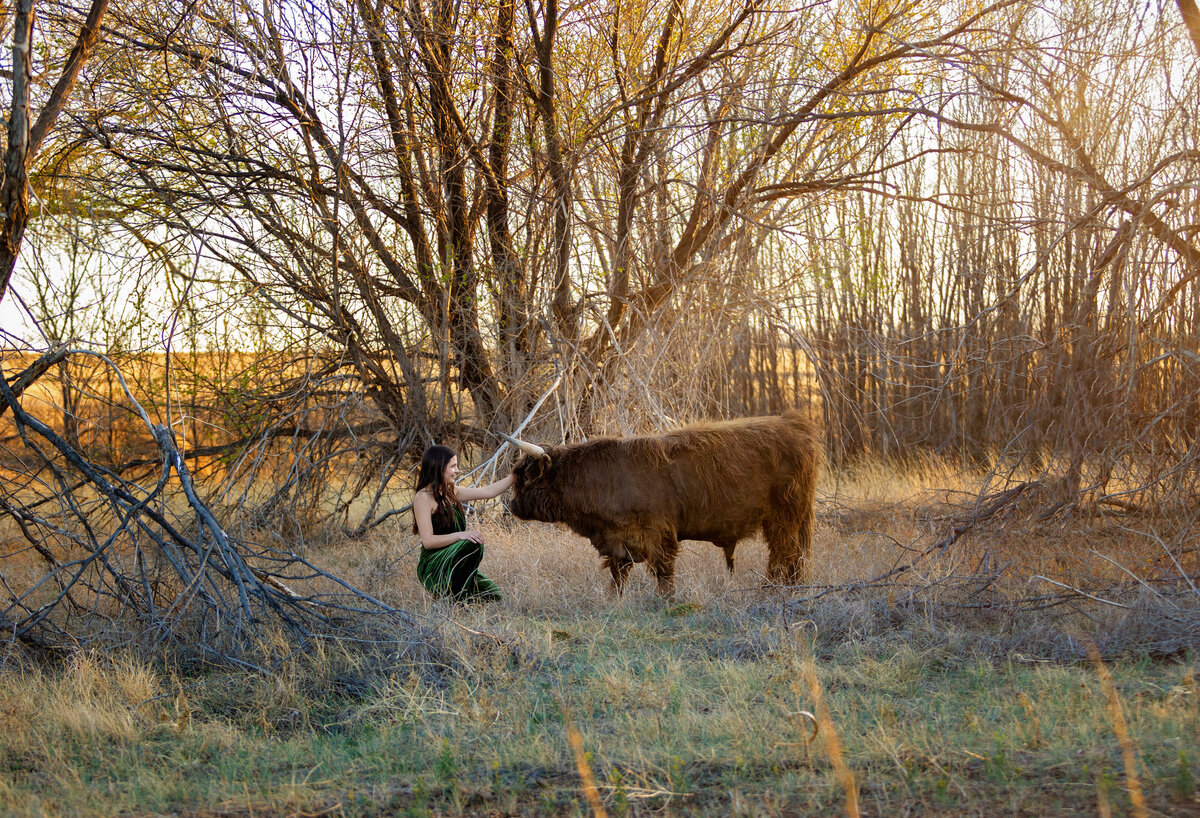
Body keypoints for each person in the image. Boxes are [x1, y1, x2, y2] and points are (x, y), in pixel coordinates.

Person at [411, 445, 514, 602]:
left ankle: (457, 593)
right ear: (439, 467)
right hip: (435, 562)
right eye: (453, 466)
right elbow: (428, 542)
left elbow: (489, 491)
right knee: (472, 543)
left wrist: (516, 476)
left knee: (494, 596)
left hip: (456, 557)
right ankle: (447, 596)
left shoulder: (452, 492)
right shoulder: (423, 497)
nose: (457, 470)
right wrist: (460, 535)